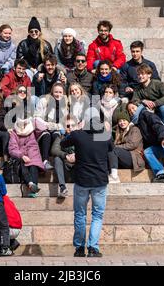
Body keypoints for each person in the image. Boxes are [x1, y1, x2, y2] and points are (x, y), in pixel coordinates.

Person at [61, 110, 113, 258]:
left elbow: (64, 143)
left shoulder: (78, 135)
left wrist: (78, 130)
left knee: (80, 214)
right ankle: (93, 248)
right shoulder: (105, 136)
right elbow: (111, 148)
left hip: (82, 180)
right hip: (99, 180)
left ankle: (79, 248)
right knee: (97, 215)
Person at [129, 103, 164, 183]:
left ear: (138, 107)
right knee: (147, 152)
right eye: (130, 110)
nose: (132, 111)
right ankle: (161, 174)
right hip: (157, 145)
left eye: (133, 108)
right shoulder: (137, 122)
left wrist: (163, 138)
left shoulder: (146, 114)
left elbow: (158, 125)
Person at [34, 83, 69, 171]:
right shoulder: (44, 101)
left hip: (56, 129)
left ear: (63, 93)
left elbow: (64, 122)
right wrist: (49, 125)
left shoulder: (64, 104)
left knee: (56, 135)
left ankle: (56, 160)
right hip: (42, 128)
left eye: (60, 92)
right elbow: (37, 117)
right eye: (56, 92)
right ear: (52, 92)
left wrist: (55, 126)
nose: (58, 94)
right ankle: (45, 161)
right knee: (46, 135)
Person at [8, 117, 44, 198]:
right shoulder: (14, 133)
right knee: (23, 164)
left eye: (25, 124)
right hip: (20, 156)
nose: (23, 126)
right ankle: (31, 184)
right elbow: (12, 149)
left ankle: (32, 187)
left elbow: (33, 145)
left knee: (33, 165)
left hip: (33, 155)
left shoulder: (31, 131)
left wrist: (35, 120)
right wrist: (22, 155)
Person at [107, 109, 145, 183]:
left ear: (128, 121)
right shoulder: (119, 132)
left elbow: (132, 145)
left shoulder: (135, 129)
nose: (122, 123)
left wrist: (116, 146)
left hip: (135, 159)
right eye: (120, 121)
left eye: (124, 120)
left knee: (114, 150)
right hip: (125, 158)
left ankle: (114, 177)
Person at [51, 115, 79, 198]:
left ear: (77, 126)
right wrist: (65, 155)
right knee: (57, 158)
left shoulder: (82, 137)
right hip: (65, 169)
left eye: (72, 125)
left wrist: (77, 155)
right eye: (67, 126)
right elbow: (54, 150)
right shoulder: (61, 137)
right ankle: (63, 188)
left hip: (77, 169)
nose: (70, 127)